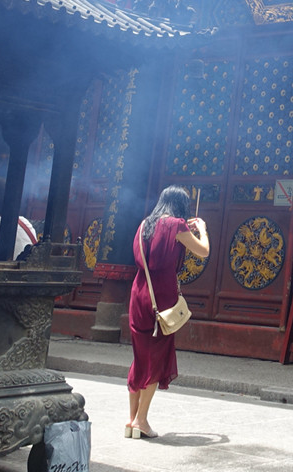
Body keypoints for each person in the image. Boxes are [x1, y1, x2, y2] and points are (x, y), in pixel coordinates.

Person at [126, 185, 209, 440]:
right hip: (161, 297)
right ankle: (141, 420)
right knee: (157, 356)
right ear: (180, 206)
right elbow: (203, 251)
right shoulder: (176, 226)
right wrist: (203, 230)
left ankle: (131, 421)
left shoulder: (144, 225)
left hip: (139, 292)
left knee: (140, 356)